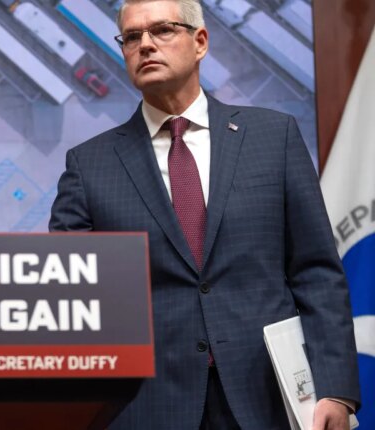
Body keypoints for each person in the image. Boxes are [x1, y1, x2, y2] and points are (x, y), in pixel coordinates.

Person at [49, 0, 360, 428]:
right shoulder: (89, 164)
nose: (145, 45)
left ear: (200, 42)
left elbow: (317, 273)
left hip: (268, 399)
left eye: (162, 30)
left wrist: (336, 389)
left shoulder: (273, 138)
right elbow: (67, 292)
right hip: (147, 406)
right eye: (132, 37)